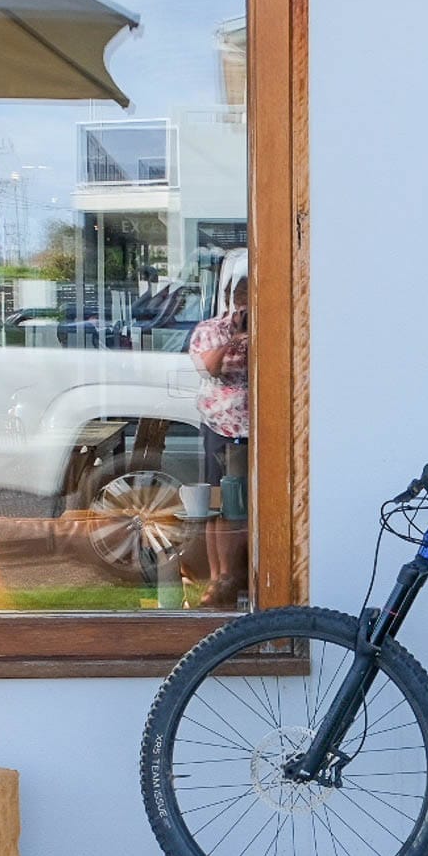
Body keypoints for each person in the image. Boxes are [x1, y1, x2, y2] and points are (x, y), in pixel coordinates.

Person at [188, 255, 250, 609]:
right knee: (218, 504)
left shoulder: (268, 327)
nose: (242, 307)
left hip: (255, 432)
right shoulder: (210, 330)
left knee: (241, 507)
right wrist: (235, 337)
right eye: (239, 300)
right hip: (221, 428)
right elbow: (209, 369)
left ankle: (235, 576)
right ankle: (219, 578)